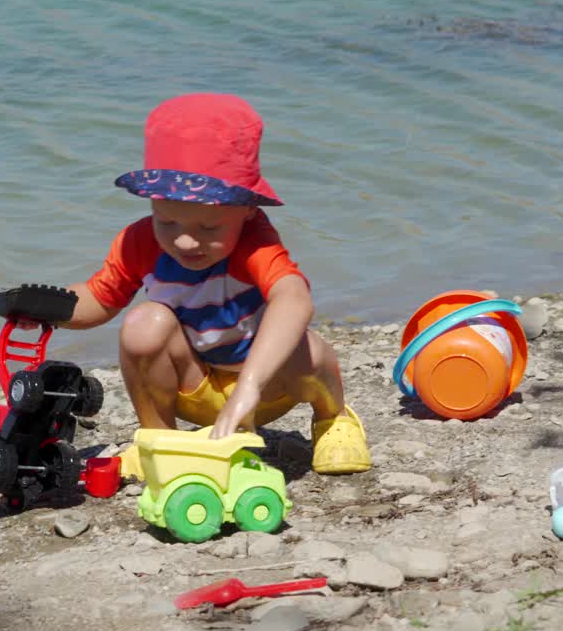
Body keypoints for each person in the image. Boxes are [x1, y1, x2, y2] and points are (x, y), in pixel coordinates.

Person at [52, 93, 371, 478]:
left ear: (249, 209)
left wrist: (250, 386)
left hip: (266, 387)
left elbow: (293, 297)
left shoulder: (254, 241)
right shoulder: (139, 241)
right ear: (152, 203)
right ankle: (159, 441)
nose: (185, 241)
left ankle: (333, 420)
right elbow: (99, 299)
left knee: (311, 350)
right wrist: (44, 307)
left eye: (208, 228)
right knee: (143, 323)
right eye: (167, 222)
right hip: (194, 385)